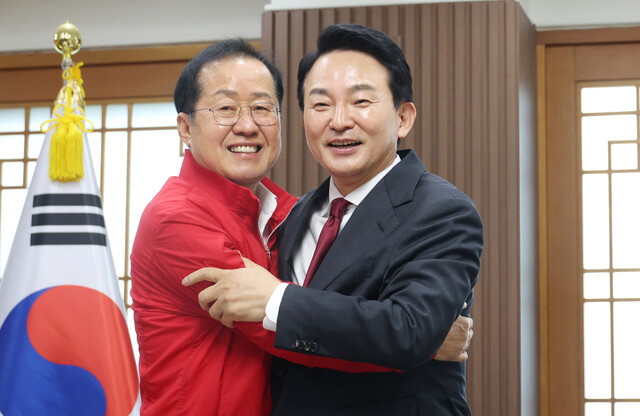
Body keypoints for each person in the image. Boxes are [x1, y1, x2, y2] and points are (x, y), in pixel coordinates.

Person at [131, 38, 472, 416]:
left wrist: (416, 332)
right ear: (185, 127)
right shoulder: (175, 219)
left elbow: (300, 307)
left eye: (262, 108)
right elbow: (277, 325)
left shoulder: (291, 213)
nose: (247, 125)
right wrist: (423, 342)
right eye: (225, 108)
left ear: (403, 117)